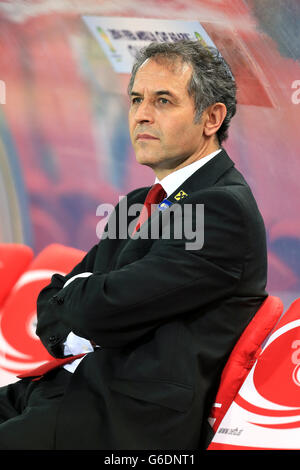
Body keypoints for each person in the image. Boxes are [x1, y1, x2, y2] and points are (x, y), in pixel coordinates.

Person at [0, 40, 267, 450]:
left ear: (211, 118)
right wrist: (89, 305)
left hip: (123, 422)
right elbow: (50, 308)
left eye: (163, 100)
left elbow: (102, 306)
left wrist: (88, 303)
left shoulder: (221, 208)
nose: (142, 114)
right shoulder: (134, 204)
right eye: (137, 99)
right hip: (62, 390)